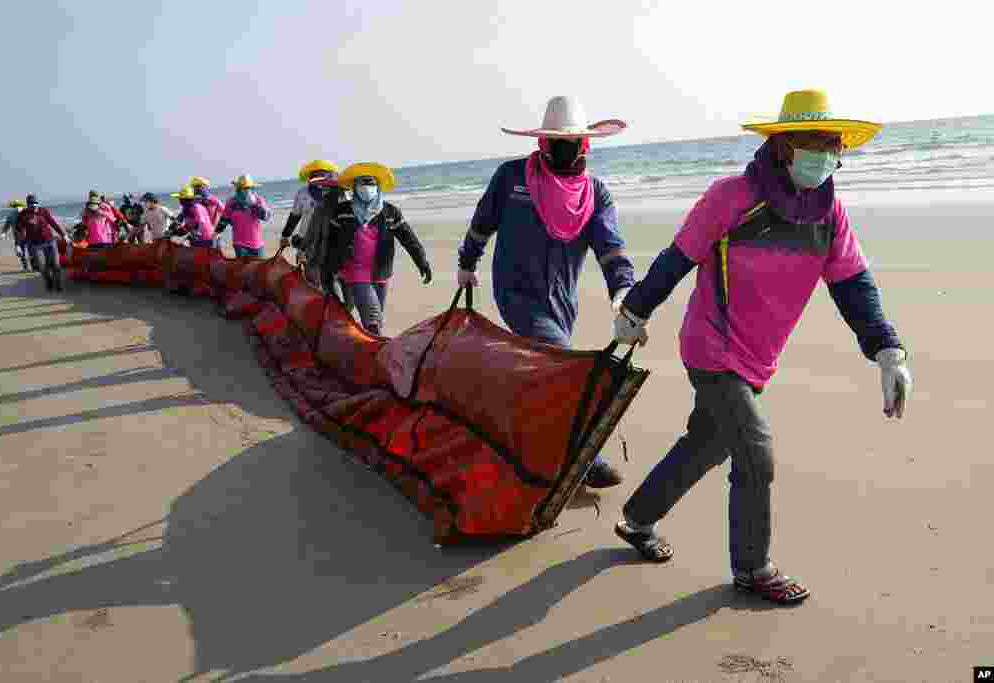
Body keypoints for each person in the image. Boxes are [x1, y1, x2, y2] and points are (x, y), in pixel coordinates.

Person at [610, 90, 913, 605]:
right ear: (781, 146)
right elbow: (676, 258)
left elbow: (853, 286)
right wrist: (634, 313)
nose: (822, 152)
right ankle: (752, 567)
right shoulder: (731, 197)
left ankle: (638, 518)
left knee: (708, 441)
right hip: (710, 346)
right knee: (754, 452)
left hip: (757, 358)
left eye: (831, 143)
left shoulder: (828, 214)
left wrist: (888, 351)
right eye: (809, 141)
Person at [456, 95, 636, 488]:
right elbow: (482, 223)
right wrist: (466, 264)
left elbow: (611, 248)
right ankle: (587, 459)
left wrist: (623, 292)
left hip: (561, 298)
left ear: (584, 146)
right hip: (517, 290)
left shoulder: (596, 194)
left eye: (571, 142)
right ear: (542, 143)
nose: (563, 149)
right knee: (566, 370)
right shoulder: (512, 177)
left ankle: (518, 435)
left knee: (541, 372)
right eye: (555, 141)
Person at [322, 162, 432, 335]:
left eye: (371, 183)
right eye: (362, 183)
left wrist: (422, 261)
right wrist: (327, 274)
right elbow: (331, 243)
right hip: (354, 273)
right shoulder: (342, 212)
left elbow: (408, 238)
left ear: (378, 187)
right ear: (354, 187)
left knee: (376, 318)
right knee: (373, 319)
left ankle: (364, 347)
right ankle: (376, 354)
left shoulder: (390, 212)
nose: (367, 187)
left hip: (380, 272)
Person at [281, 160, 341, 279]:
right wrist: (285, 235)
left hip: (330, 241)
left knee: (328, 278)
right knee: (312, 277)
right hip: (307, 242)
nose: (319, 178)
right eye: (316, 175)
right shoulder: (303, 193)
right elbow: (295, 216)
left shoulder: (339, 192)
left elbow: (295, 216)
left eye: (322, 174)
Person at [16, 194, 67, 291]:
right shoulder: (23, 214)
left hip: (50, 242)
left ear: (38, 203)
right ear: (27, 204)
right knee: (42, 267)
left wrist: (64, 235)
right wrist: (18, 245)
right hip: (36, 245)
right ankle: (49, 281)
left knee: (56, 264)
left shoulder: (43, 211)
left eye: (36, 203)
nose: (34, 205)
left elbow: (53, 223)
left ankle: (58, 285)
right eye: (31, 203)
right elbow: (20, 232)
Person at [218, 174, 272, 257]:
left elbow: (266, 217)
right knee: (244, 269)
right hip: (240, 244)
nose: (246, 190)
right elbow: (224, 219)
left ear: (252, 188)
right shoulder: (231, 202)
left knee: (259, 268)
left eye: (248, 188)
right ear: (238, 188)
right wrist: (216, 232)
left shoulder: (258, 200)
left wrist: (254, 205)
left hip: (257, 243)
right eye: (243, 188)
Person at [0, 199, 31, 270]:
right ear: (13, 207)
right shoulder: (11, 215)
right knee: (20, 253)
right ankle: (25, 267)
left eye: (18, 205)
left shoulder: (26, 213)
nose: (17, 207)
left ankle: (35, 265)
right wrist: (3, 233)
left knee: (31, 251)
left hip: (28, 235)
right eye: (15, 206)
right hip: (18, 237)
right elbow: (7, 225)